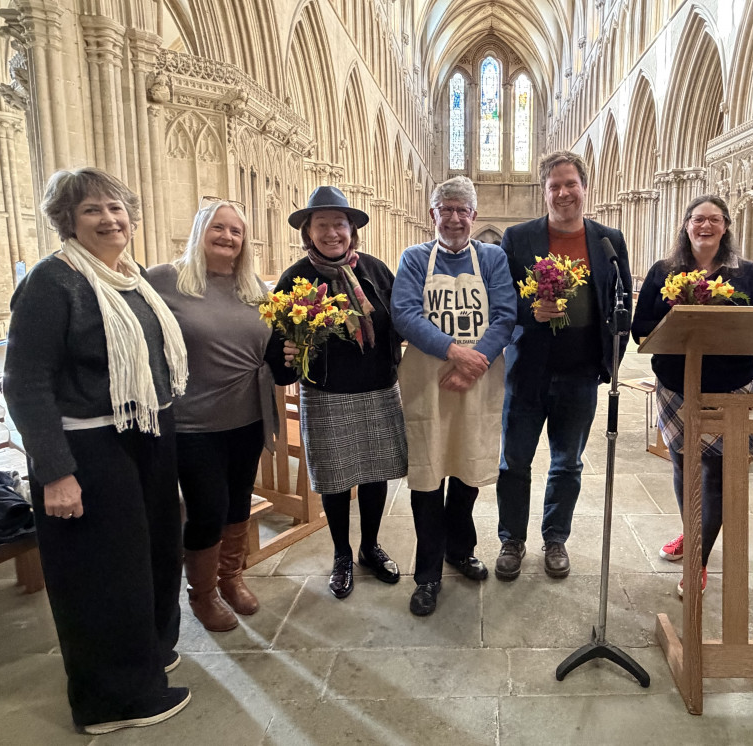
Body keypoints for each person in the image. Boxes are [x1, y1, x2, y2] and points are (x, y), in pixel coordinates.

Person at [2, 168, 191, 734]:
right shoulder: (52, 281)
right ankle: (113, 700)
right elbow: (25, 381)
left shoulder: (128, 278)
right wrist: (56, 472)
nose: (110, 220)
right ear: (68, 220)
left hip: (145, 432)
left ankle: (147, 657)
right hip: (89, 444)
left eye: (116, 209)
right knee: (105, 570)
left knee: (154, 552)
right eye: (93, 211)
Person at [495, 150, 632, 581]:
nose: (563, 192)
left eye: (570, 183)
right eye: (554, 185)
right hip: (527, 370)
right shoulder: (518, 238)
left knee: (567, 462)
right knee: (514, 461)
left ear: (585, 187)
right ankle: (511, 539)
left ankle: (556, 538)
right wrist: (527, 308)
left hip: (580, 374)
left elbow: (622, 305)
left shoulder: (609, 240)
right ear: (544, 191)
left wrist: (608, 366)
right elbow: (501, 299)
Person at [148, 197, 282, 632]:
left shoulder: (256, 290)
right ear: (200, 232)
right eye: (218, 228)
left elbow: (275, 347)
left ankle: (230, 579)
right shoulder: (166, 281)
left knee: (240, 498)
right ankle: (201, 595)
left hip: (247, 415)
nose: (228, 237)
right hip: (194, 421)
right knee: (207, 508)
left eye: (236, 231)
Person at [266, 185, 407, 599]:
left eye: (339, 224)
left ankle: (370, 547)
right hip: (326, 393)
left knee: (375, 472)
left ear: (352, 230)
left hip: (378, 388)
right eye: (322, 225)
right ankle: (342, 554)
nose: (332, 233)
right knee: (334, 480)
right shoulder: (295, 278)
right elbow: (276, 344)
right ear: (308, 232)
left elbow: (399, 321)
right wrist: (288, 353)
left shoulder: (376, 271)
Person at [631, 194, 753, 596]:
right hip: (677, 385)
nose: (704, 226)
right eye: (697, 219)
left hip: (731, 384)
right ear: (686, 225)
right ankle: (694, 534)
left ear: (726, 226)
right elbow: (642, 330)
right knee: (683, 467)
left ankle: (700, 558)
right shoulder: (664, 271)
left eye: (713, 219)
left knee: (718, 475)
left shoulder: (745, 274)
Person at [391, 176, 515, 616]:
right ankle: (426, 575)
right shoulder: (414, 258)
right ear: (433, 214)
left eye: (464, 210)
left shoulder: (493, 259)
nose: (456, 217)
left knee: (467, 469)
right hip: (429, 385)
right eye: (447, 208)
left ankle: (459, 550)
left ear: (475, 216)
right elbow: (404, 313)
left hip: (477, 384)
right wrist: (456, 353)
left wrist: (475, 362)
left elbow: (505, 313)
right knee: (427, 478)